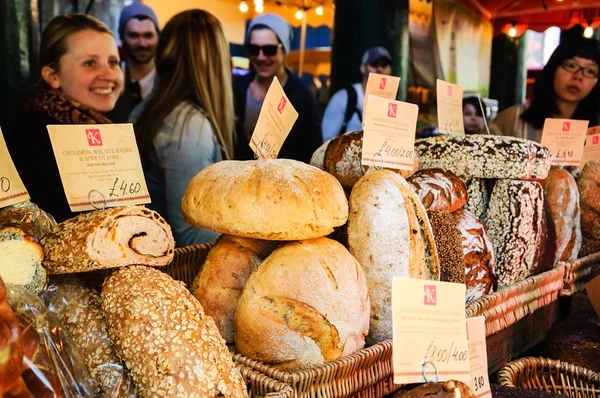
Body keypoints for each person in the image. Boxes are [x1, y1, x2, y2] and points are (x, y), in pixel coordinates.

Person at [6, 14, 123, 222]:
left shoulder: (103, 126)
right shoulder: (33, 140)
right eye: (90, 63)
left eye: (113, 62)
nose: (109, 75)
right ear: (52, 76)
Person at [132, 10, 233, 246]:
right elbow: (189, 232)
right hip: (177, 269)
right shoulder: (187, 126)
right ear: (215, 63)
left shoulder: (149, 109)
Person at [233, 13, 322, 163]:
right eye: (254, 49)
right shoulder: (237, 88)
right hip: (237, 182)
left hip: (281, 184)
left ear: (283, 50)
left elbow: (311, 153)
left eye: (269, 49)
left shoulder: (302, 97)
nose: (261, 57)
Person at [490, 37, 600, 142]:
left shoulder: (596, 130)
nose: (578, 76)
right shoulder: (513, 119)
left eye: (590, 71)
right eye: (571, 66)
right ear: (552, 69)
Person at [321, 46, 393, 142]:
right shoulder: (343, 98)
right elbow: (327, 141)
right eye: (374, 64)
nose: (379, 69)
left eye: (384, 65)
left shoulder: (392, 105)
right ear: (363, 68)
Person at [108, 0, 159, 121]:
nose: (142, 43)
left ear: (158, 36)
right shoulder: (108, 78)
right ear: (121, 36)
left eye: (148, 35)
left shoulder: (169, 80)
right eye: (133, 35)